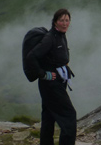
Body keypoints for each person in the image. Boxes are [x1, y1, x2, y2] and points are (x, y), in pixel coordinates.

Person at [25, 9, 77, 145]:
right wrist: (43, 74)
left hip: (57, 82)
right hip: (51, 84)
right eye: (61, 20)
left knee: (48, 116)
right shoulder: (50, 38)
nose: (65, 23)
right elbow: (32, 56)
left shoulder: (60, 34)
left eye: (67, 20)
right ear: (55, 22)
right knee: (69, 115)